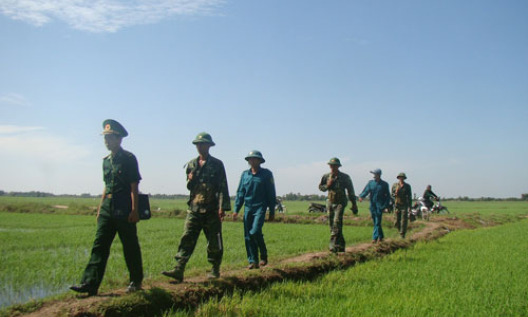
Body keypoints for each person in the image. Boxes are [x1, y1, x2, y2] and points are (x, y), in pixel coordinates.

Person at [70, 119, 143, 296]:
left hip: (124, 206)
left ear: (119, 139)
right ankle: (90, 283)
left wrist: (135, 210)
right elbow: (106, 186)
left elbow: (134, 185)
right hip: (107, 207)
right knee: (99, 245)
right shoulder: (105, 161)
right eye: (105, 138)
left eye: (109, 138)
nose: (106, 141)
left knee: (129, 245)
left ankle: (135, 281)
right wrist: (99, 208)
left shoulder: (128, 158)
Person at [162, 132, 231, 282]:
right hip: (194, 208)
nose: (200, 147)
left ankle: (215, 269)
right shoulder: (191, 164)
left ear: (209, 146)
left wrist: (222, 207)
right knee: (187, 237)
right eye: (198, 144)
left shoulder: (217, 164)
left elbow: (223, 186)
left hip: (211, 209)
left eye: (203, 144)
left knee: (214, 239)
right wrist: (190, 180)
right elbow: (189, 187)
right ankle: (179, 268)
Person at [233, 150, 276, 269]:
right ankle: (253, 261)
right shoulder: (245, 175)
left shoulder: (266, 174)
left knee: (255, 231)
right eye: (250, 159)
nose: (252, 161)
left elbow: (271, 193)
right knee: (248, 235)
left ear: (260, 160)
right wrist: (236, 209)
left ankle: (263, 255)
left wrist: (272, 211)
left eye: (255, 159)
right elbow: (240, 192)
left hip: (260, 207)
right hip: (248, 208)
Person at [318, 157, 358, 253]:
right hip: (330, 202)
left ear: (338, 166)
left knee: (336, 222)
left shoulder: (345, 177)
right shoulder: (326, 176)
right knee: (332, 225)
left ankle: (333, 247)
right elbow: (321, 187)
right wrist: (328, 185)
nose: (332, 167)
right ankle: (341, 246)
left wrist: (354, 204)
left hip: (341, 202)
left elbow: (351, 191)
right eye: (331, 165)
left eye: (335, 165)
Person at [359, 169, 391, 243]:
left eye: (375, 174)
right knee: (375, 222)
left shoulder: (385, 184)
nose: (374, 175)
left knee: (377, 222)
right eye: (373, 174)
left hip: (380, 205)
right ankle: (381, 236)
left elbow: (387, 196)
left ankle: (374, 238)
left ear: (379, 175)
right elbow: (366, 191)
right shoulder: (370, 183)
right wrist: (361, 197)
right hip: (372, 205)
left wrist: (386, 206)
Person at [391, 173, 412, 238]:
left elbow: (409, 196)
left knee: (404, 221)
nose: (401, 178)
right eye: (400, 177)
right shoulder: (395, 185)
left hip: (404, 205)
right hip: (397, 204)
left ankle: (402, 234)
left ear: (404, 178)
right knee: (396, 221)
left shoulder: (407, 186)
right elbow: (392, 194)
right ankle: (400, 230)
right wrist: (395, 194)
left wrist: (410, 207)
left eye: (402, 177)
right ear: (398, 178)